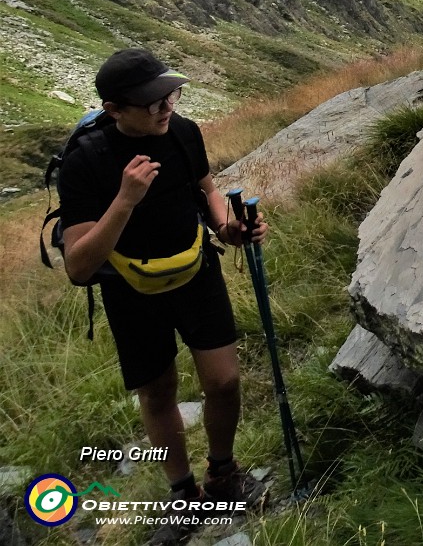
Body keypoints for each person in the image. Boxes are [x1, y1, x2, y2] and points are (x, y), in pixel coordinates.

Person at [57, 48, 268, 527]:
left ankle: (223, 473)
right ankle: (183, 492)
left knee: (224, 380)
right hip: (129, 290)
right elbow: (78, 265)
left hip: (196, 270)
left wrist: (226, 228)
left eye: (168, 96)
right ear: (113, 110)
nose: (165, 108)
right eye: (150, 103)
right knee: (158, 392)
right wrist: (126, 199)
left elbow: (207, 188)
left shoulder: (184, 132)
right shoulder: (86, 161)